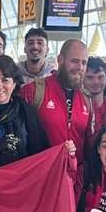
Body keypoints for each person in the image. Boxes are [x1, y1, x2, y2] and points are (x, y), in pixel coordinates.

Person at [20, 39, 88, 193]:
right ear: (60, 60)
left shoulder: (86, 99)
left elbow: (89, 143)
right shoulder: (33, 91)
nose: (80, 67)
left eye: (84, 63)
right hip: (41, 181)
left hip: (74, 184)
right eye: (75, 61)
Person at [82, 57, 106, 154]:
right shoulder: (75, 106)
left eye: (100, 77)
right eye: (90, 77)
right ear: (81, 78)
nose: (96, 82)